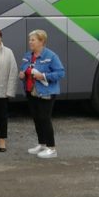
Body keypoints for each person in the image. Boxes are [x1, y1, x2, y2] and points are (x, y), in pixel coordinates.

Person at [19, 29, 65, 159]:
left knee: (45, 119)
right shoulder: (28, 55)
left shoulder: (51, 56)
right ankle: (42, 144)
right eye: (30, 40)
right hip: (31, 92)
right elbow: (24, 68)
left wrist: (43, 76)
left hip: (46, 92)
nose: (30, 42)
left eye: (33, 40)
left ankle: (52, 148)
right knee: (37, 119)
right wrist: (22, 74)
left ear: (42, 41)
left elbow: (60, 73)